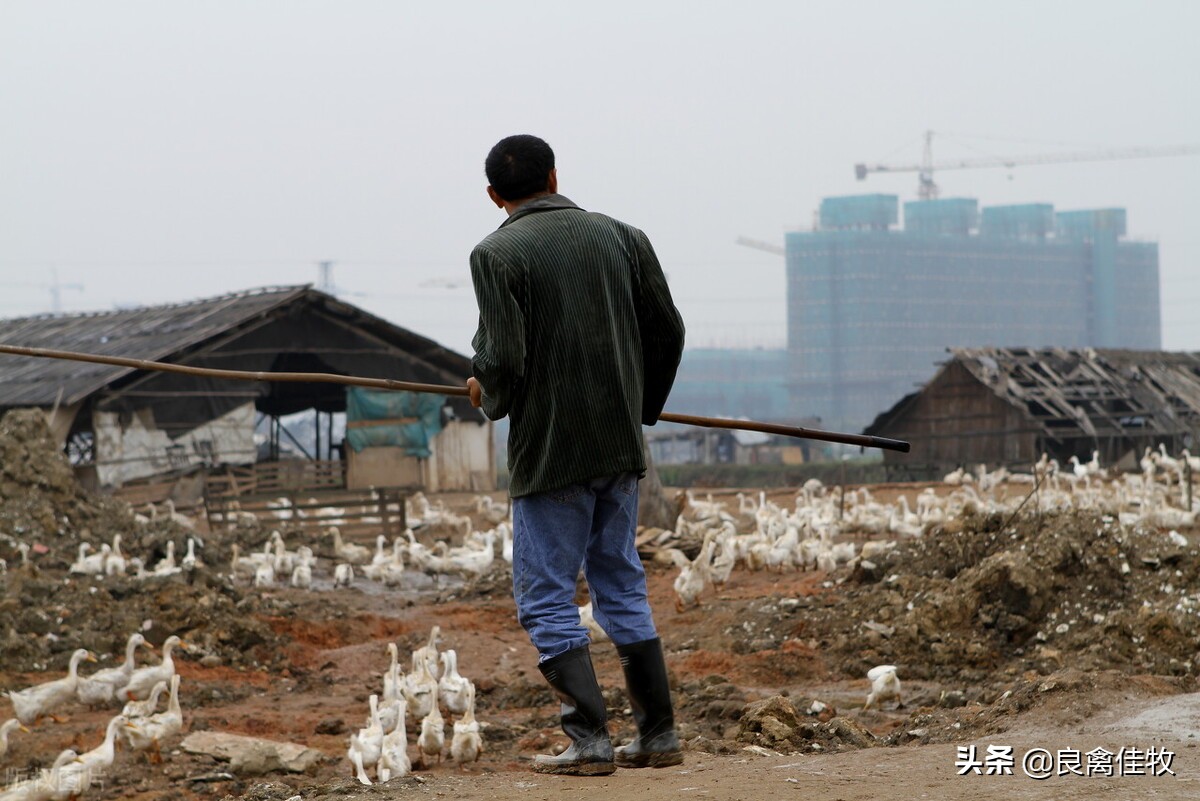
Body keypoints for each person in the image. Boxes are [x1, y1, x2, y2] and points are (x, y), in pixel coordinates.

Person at [467, 134, 686, 776]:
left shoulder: (496, 253)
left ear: (493, 196)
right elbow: (667, 329)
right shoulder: (624, 237)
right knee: (620, 579)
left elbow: (503, 359)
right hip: (619, 447)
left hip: (552, 453)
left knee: (545, 594)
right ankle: (658, 736)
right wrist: (640, 406)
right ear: (556, 175)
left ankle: (589, 743)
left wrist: (487, 391)